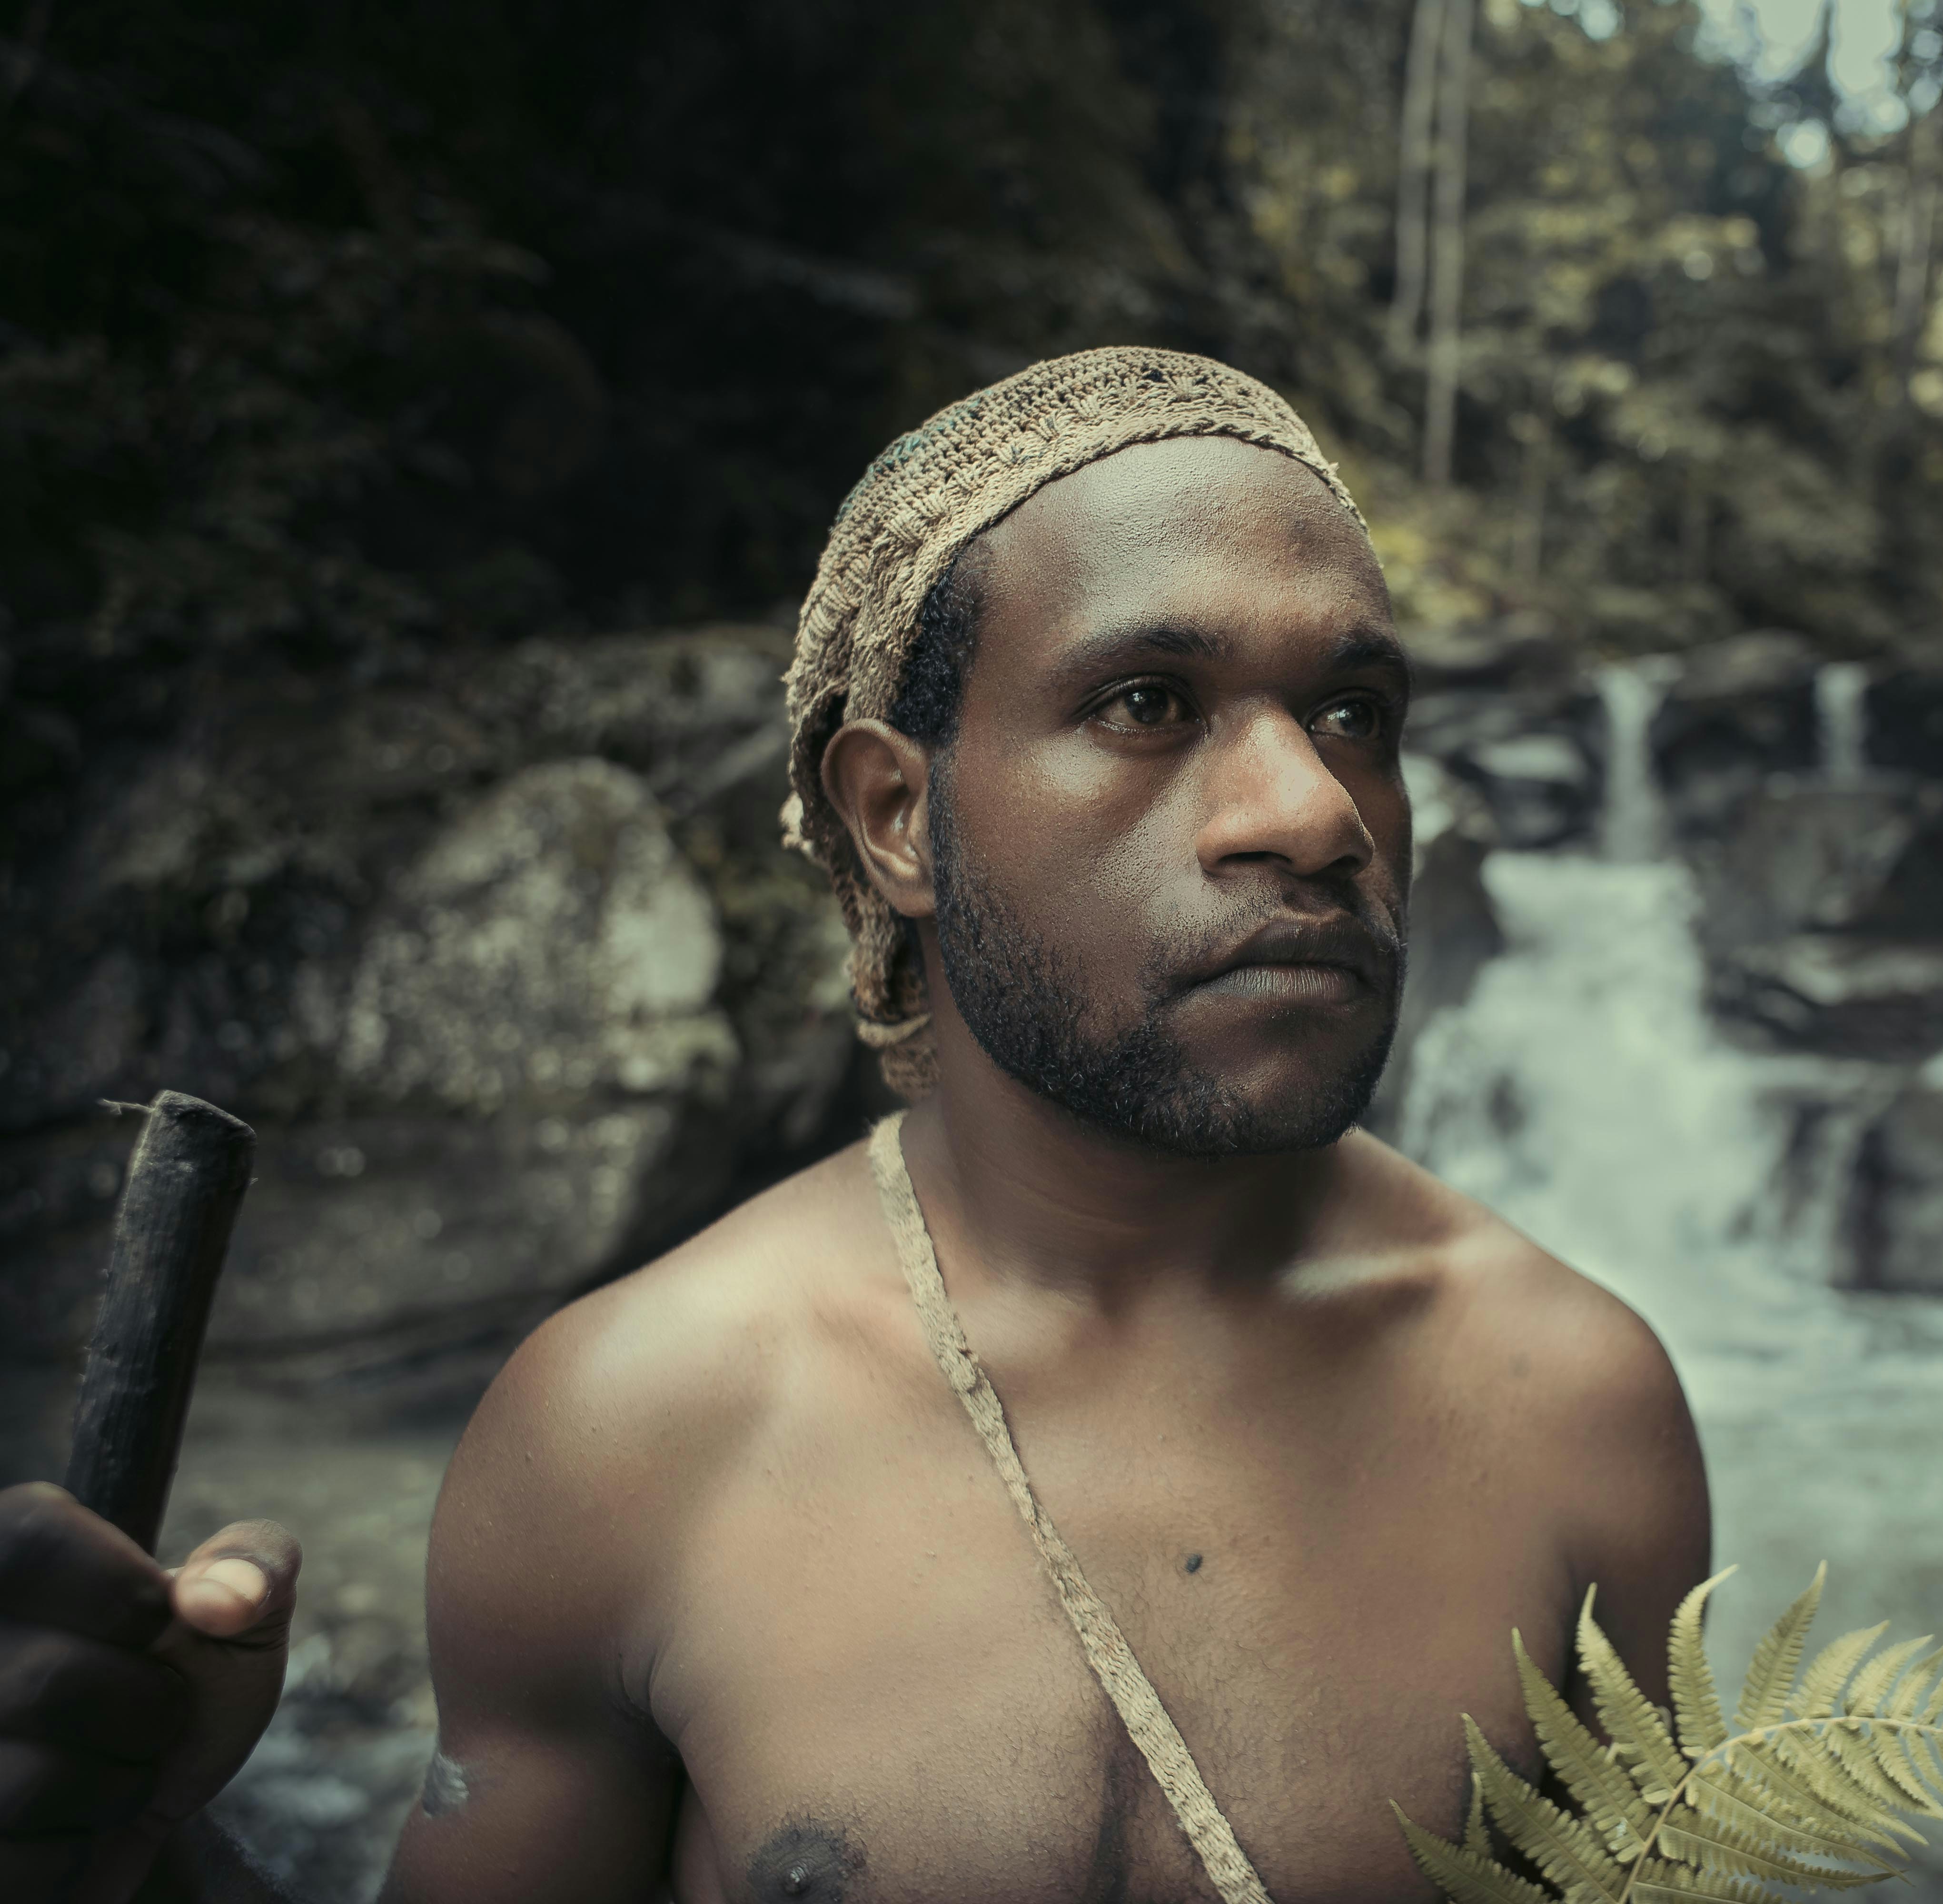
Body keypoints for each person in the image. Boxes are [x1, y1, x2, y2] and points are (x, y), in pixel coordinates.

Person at [0, 349, 1711, 1903]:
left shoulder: (1576, 1415)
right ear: (897, 815)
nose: (1314, 810)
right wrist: (149, 1860)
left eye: (1355, 715)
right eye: (1147, 704)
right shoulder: (626, 1431)